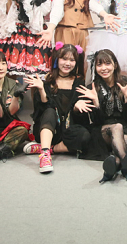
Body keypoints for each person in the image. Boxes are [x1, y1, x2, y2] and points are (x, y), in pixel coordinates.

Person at [74, 49, 127, 183]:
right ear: (95, 67)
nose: (104, 68)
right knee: (117, 127)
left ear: (115, 65)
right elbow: (97, 121)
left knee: (126, 139)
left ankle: (115, 165)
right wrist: (96, 103)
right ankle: (125, 164)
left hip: (125, 128)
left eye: (107, 63)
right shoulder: (92, 88)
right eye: (99, 64)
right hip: (103, 130)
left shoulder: (126, 83)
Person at [22, 42, 87, 173]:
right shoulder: (47, 80)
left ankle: (48, 149)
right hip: (49, 129)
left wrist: (77, 107)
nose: (68, 63)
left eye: (72, 60)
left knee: (86, 137)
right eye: (64, 59)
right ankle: (45, 155)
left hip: (68, 130)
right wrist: (41, 90)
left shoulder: (79, 82)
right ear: (57, 59)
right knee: (50, 111)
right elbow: (42, 110)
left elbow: (81, 116)